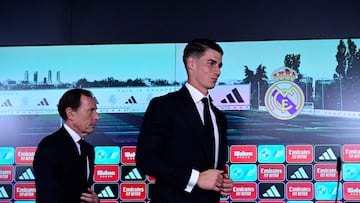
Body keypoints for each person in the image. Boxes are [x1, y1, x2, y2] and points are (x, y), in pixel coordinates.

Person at [136, 38, 233, 203]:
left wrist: (222, 182)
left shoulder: (219, 117)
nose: (217, 71)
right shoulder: (164, 106)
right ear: (191, 63)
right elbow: (146, 160)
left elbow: (213, 165)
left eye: (219, 65)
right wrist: (195, 178)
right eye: (211, 63)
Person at [33, 88, 100, 203]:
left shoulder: (88, 149)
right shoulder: (50, 146)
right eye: (91, 111)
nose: (97, 117)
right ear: (70, 113)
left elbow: (83, 192)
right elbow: (48, 197)